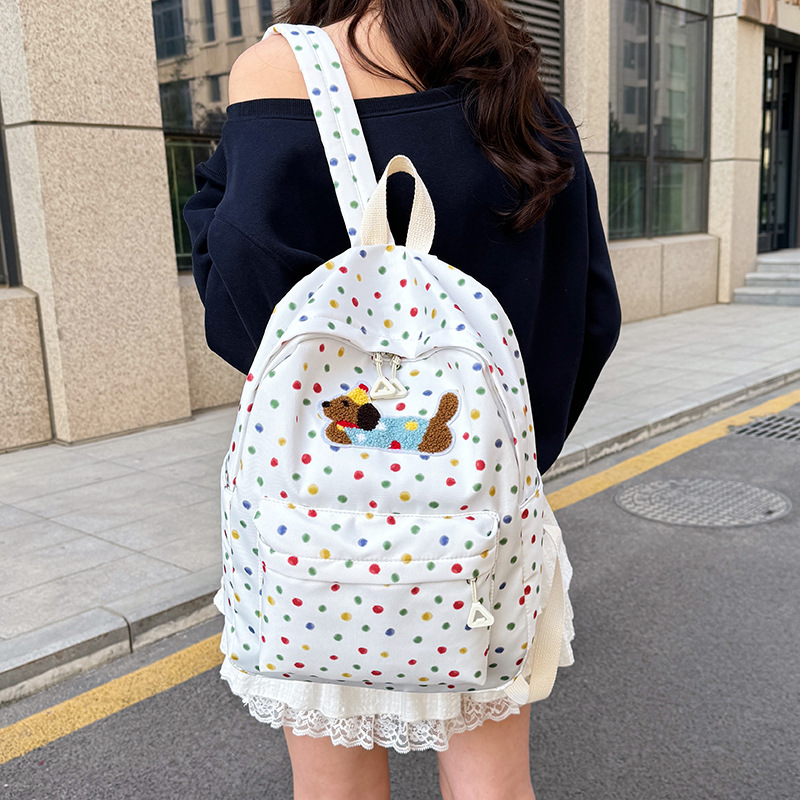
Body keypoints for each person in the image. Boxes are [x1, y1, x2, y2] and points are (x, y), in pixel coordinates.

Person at [183, 2, 622, 798]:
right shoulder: (519, 89)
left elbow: (244, 307)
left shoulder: (280, 71)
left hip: (316, 532)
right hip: (474, 526)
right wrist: (500, 468)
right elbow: (589, 315)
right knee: (492, 785)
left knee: (335, 788)